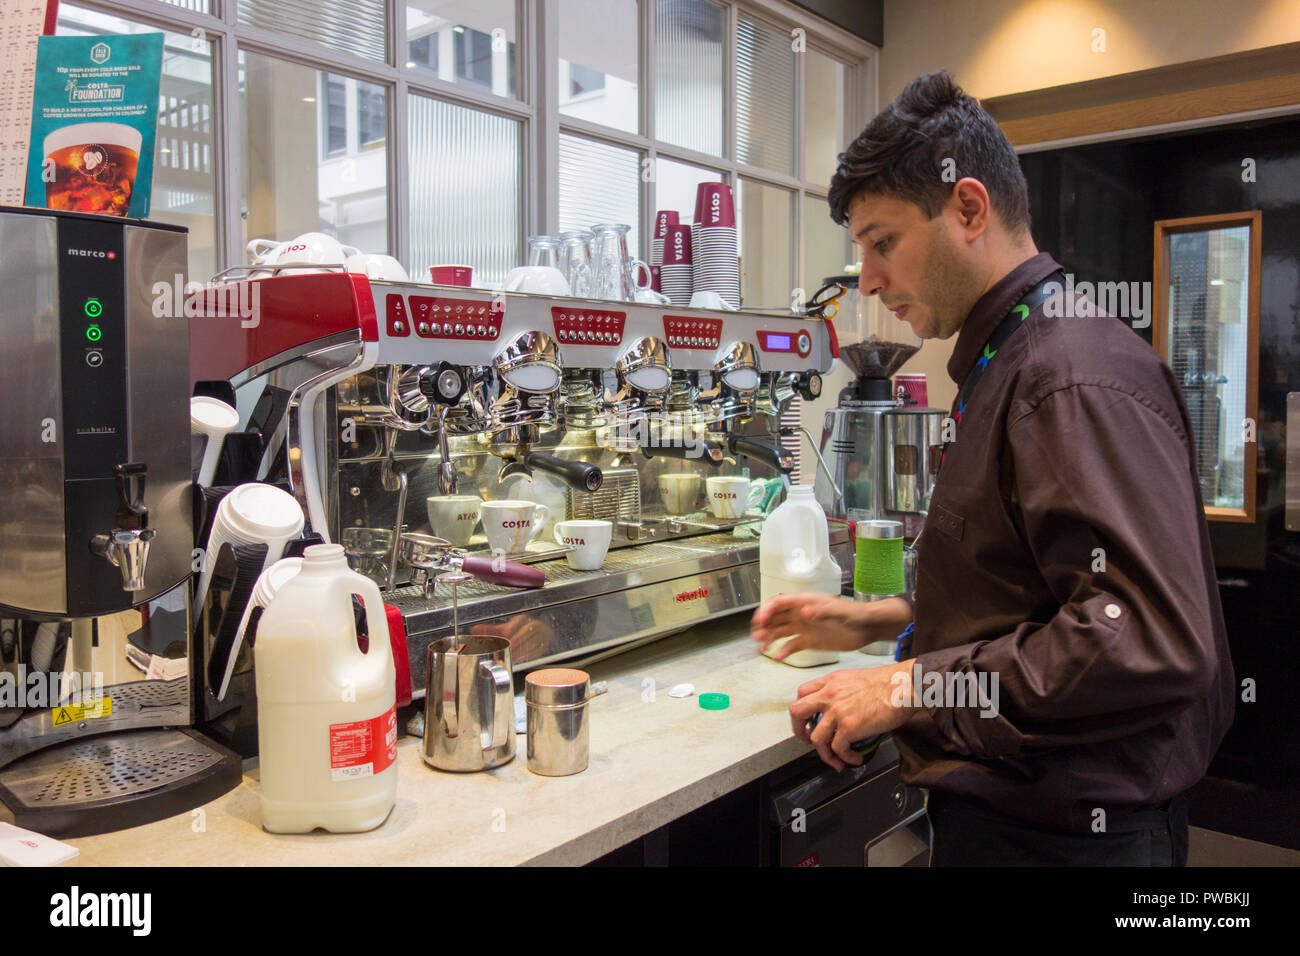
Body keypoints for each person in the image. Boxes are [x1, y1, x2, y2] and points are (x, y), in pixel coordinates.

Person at [750, 71, 1235, 866]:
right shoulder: (1012, 357)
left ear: (968, 208)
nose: (868, 280)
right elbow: (1040, 585)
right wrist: (888, 622)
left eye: (882, 242)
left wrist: (910, 686)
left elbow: (1143, 637)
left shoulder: (1061, 375)